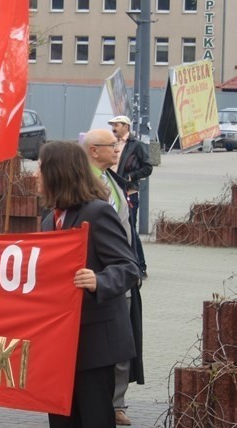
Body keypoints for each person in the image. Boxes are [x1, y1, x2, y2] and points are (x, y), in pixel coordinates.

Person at [38, 141, 141, 428]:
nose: (37, 176)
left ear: (57, 172)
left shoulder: (96, 213)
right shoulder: (49, 221)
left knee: (94, 419)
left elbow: (128, 267)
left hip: (94, 343)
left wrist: (98, 280)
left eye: (41, 169)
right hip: (61, 345)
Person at [83, 130, 145, 426]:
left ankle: (117, 402)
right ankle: (109, 403)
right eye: (112, 145)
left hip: (121, 272)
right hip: (102, 277)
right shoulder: (84, 183)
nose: (118, 149)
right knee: (113, 342)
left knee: (124, 340)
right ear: (94, 151)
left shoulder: (113, 179)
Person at [108, 115, 153, 279]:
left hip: (129, 193)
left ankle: (140, 266)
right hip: (112, 192)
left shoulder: (136, 146)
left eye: (117, 125)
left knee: (130, 230)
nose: (114, 128)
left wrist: (130, 177)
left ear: (126, 126)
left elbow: (148, 167)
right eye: (112, 125)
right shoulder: (111, 143)